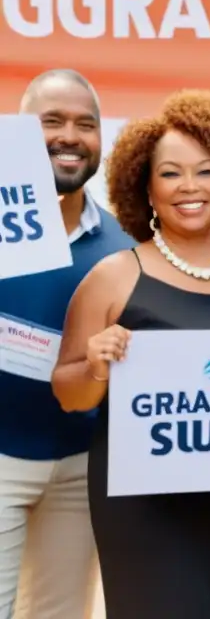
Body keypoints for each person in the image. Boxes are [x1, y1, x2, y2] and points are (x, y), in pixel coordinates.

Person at [50, 90, 210, 619]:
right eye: (170, 174)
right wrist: (96, 365)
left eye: (204, 172)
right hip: (144, 508)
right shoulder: (114, 276)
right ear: (145, 187)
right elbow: (69, 394)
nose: (189, 187)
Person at [0, 70, 132, 618]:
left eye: (86, 123)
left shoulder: (123, 245)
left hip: (79, 467)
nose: (70, 135)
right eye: (51, 121)